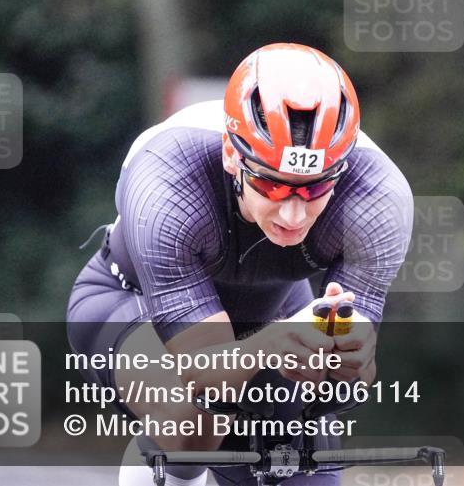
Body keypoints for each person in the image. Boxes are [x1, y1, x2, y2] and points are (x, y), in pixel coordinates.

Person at [66, 43, 414, 485]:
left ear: (341, 173)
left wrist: (346, 360)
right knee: (192, 425)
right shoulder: (167, 185)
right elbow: (200, 376)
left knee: (308, 458)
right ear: (233, 156)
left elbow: (349, 386)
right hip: (130, 301)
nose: (292, 214)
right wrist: (273, 345)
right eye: (272, 185)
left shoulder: (376, 201)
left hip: (275, 308)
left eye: (313, 190)